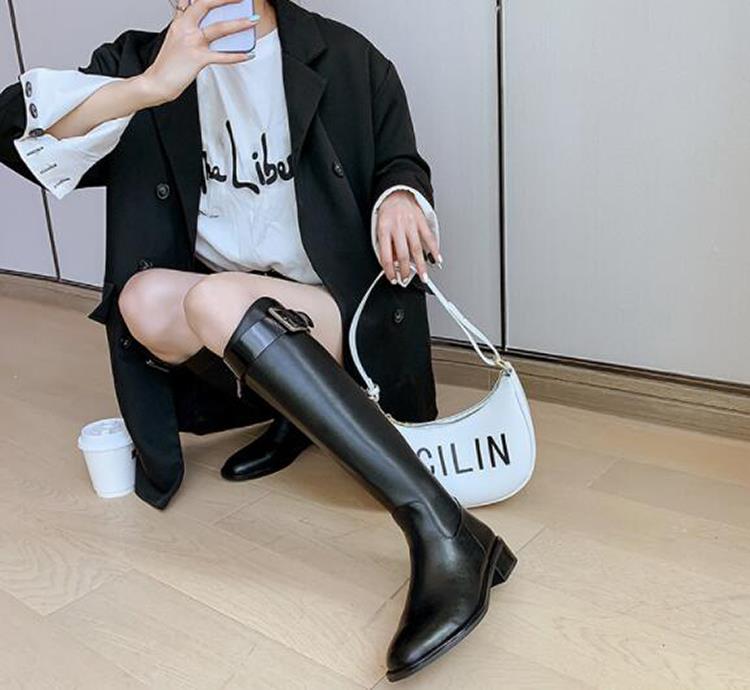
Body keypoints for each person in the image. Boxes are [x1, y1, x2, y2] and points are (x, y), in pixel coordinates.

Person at [0, 0, 517, 679]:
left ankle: (444, 529)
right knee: (142, 300)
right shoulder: (145, 60)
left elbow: (400, 158)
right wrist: (151, 87)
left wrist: (399, 195)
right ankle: (294, 415)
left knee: (214, 297)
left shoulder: (345, 55)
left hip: (334, 309)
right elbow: (15, 126)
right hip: (237, 315)